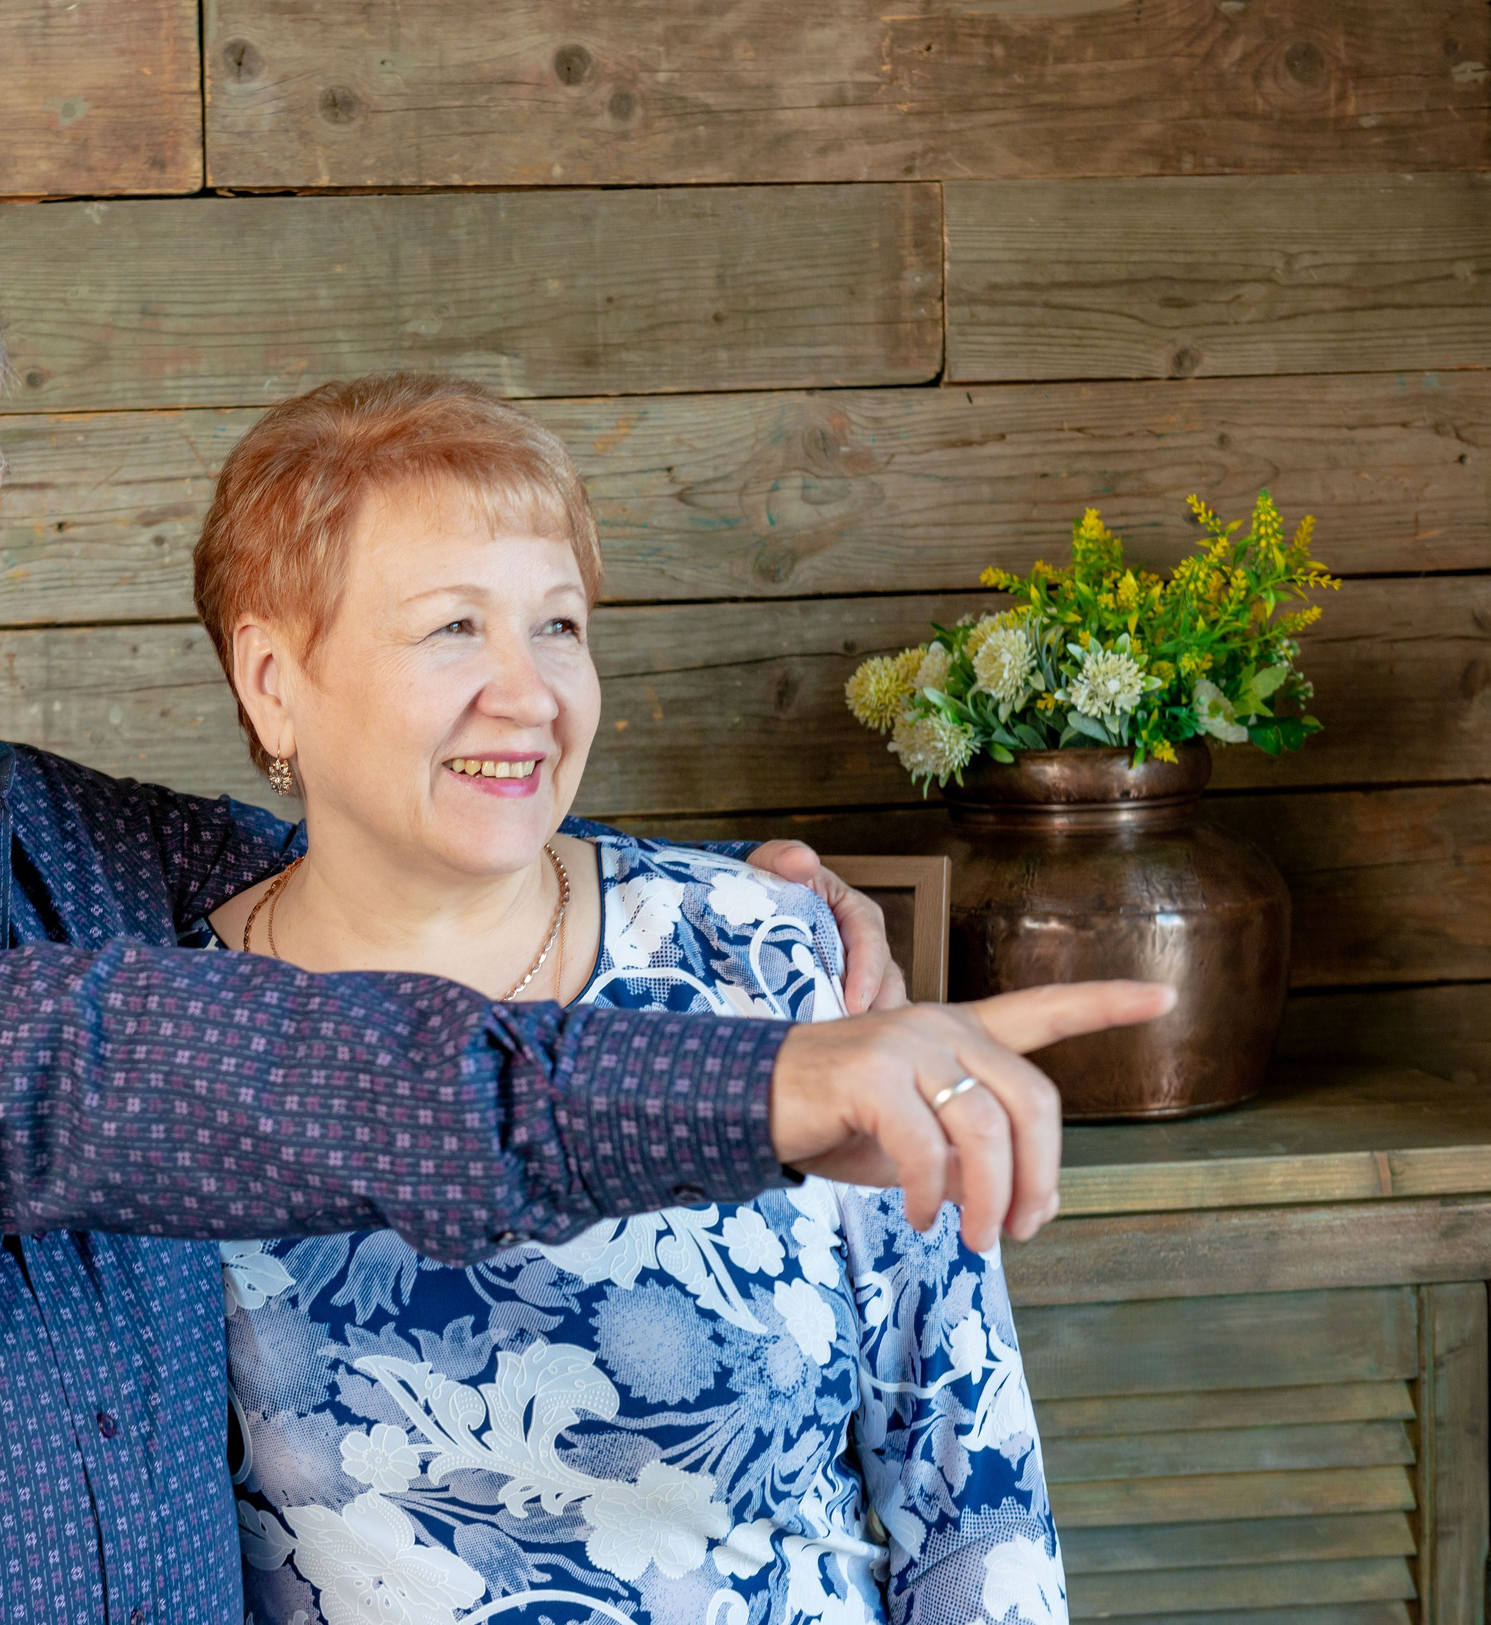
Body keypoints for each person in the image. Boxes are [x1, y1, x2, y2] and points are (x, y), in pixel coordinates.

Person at [0, 198, 1164, 1624]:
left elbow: (398, 828)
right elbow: (77, 1076)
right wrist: (760, 1081)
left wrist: (715, 914)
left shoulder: (33, 825)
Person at [189, 376, 1057, 1623]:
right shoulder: (169, 1040)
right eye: (452, 627)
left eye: (558, 625)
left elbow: (973, 1481)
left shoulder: (759, 950)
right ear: (273, 678)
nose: (529, 693)